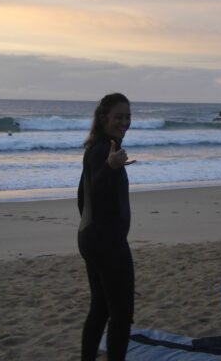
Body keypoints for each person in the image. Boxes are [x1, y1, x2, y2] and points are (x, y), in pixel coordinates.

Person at [78, 93, 136, 361]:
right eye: (118, 116)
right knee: (122, 314)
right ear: (103, 118)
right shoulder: (102, 151)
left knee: (101, 308)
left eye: (127, 117)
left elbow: (83, 195)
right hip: (107, 242)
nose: (123, 121)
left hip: (94, 238)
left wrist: (89, 231)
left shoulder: (99, 147)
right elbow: (96, 190)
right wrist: (111, 168)